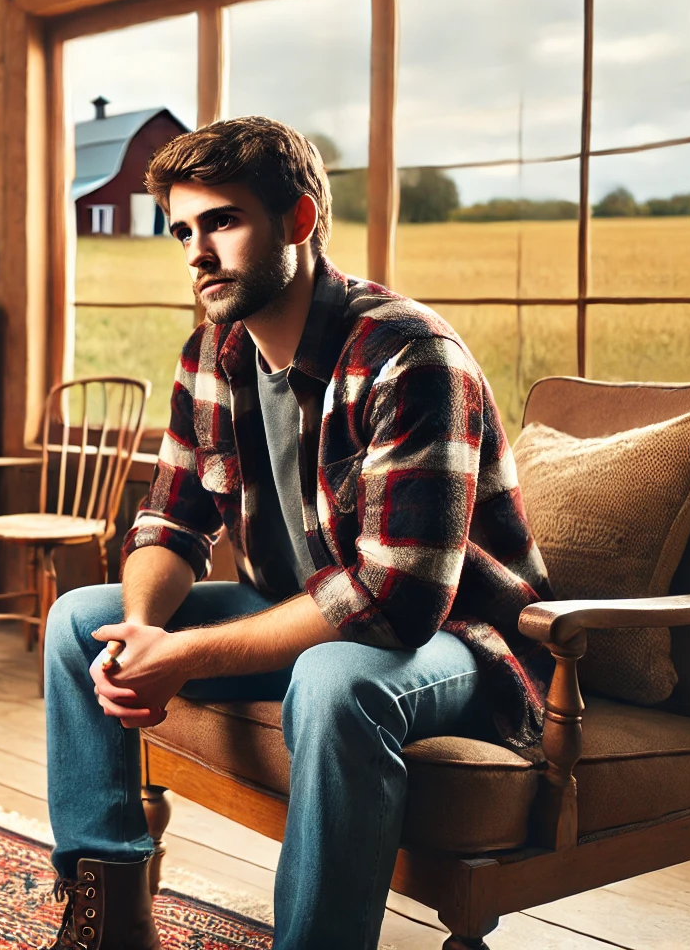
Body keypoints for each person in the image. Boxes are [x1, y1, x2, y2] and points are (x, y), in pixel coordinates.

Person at [41, 117, 552, 950]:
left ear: (301, 221)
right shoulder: (213, 352)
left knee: (334, 679)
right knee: (78, 626)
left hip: (460, 637)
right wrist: (143, 630)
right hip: (298, 606)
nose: (196, 252)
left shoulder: (410, 356)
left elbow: (397, 601)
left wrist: (188, 655)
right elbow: (169, 521)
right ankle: (113, 926)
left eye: (223, 222)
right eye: (181, 230)